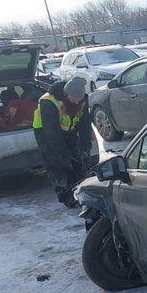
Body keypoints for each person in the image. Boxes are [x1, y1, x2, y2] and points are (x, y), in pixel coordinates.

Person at [33, 76, 94, 207]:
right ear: (66, 95)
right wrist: (64, 156)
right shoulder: (48, 101)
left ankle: (82, 191)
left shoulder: (82, 99)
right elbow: (52, 134)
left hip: (69, 131)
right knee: (58, 164)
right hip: (45, 133)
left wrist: (85, 148)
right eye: (73, 100)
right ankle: (66, 196)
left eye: (79, 100)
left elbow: (85, 125)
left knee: (78, 160)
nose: (76, 103)